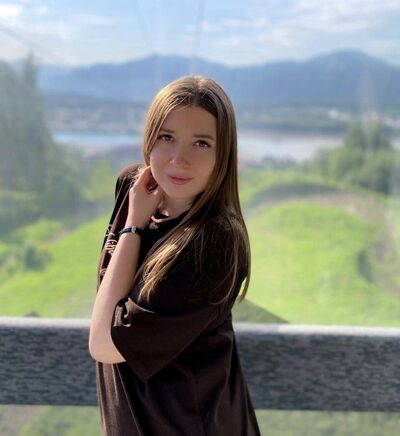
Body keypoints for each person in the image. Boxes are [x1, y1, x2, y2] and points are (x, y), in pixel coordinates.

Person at [88, 75, 261, 436]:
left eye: (201, 143)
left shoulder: (214, 244)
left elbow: (105, 343)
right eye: (167, 137)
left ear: (223, 155)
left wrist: (132, 229)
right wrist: (135, 220)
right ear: (149, 139)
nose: (179, 159)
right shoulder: (133, 189)